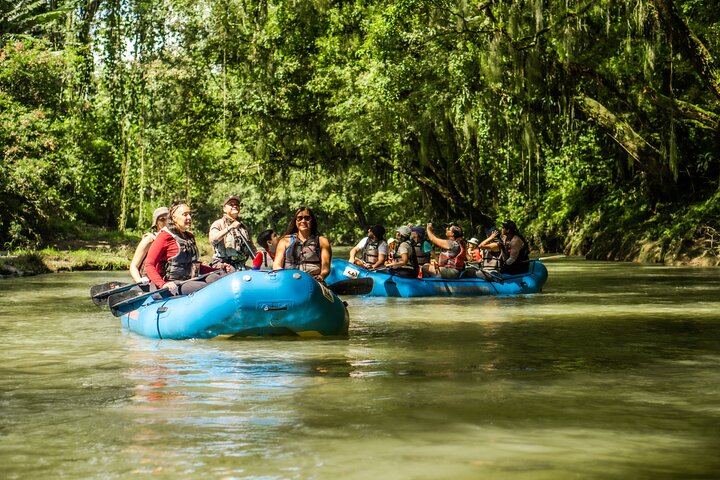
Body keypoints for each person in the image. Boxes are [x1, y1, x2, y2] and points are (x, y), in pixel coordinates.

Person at [144, 202, 230, 295]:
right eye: (185, 215)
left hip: (190, 279)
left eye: (190, 214)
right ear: (174, 218)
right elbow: (149, 264)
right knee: (203, 287)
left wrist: (218, 271)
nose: (189, 217)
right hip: (173, 283)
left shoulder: (189, 237)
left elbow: (195, 266)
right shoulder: (164, 236)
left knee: (220, 278)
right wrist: (162, 284)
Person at [273, 207, 332, 282]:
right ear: (295, 221)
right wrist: (284, 277)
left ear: (312, 220)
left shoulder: (322, 241)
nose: (303, 221)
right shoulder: (284, 241)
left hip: (314, 282)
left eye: (307, 218)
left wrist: (320, 277)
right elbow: (276, 265)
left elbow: (326, 269)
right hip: (289, 281)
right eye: (299, 218)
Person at [208, 195, 255, 271]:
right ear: (224, 209)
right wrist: (230, 227)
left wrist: (258, 261)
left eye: (236, 204)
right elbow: (213, 239)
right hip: (222, 265)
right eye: (231, 204)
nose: (234, 206)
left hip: (240, 265)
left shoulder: (243, 227)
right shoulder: (218, 223)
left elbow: (252, 248)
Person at [129, 206, 168, 283]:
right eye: (162, 219)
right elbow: (133, 266)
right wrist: (139, 280)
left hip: (163, 281)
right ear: (156, 223)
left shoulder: (173, 239)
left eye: (169, 219)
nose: (166, 223)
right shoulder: (149, 239)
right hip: (147, 281)